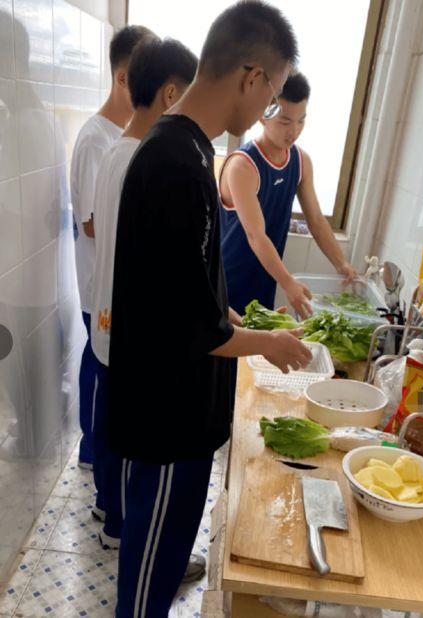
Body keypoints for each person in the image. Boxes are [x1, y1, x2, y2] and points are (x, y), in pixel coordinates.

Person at [108, 2, 312, 615]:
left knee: (168, 550)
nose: (268, 108)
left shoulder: (194, 151)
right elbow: (191, 327)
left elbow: (186, 282)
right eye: (272, 94)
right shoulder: (176, 161)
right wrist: (269, 343)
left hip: (183, 411)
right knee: (149, 572)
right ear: (252, 78)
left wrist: (233, 314)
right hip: (166, 416)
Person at [90, 37, 199, 586]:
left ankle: (110, 516)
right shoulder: (149, 159)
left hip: (109, 321)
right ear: (171, 93)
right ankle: (126, 530)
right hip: (130, 328)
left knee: (115, 430)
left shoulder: (118, 151)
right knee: (131, 446)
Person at [70, 25, 153, 476]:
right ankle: (91, 448)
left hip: (112, 283)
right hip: (96, 282)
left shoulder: (120, 134)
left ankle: (99, 448)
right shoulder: (94, 139)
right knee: (97, 366)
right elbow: (90, 223)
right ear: (123, 78)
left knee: (104, 366)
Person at [219, 71, 357, 322]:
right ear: (264, 115)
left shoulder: (301, 161)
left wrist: (342, 264)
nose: (294, 131)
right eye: (285, 121)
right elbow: (255, 235)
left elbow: (315, 219)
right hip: (225, 283)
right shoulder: (243, 165)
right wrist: (287, 281)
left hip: (264, 281)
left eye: (301, 121)